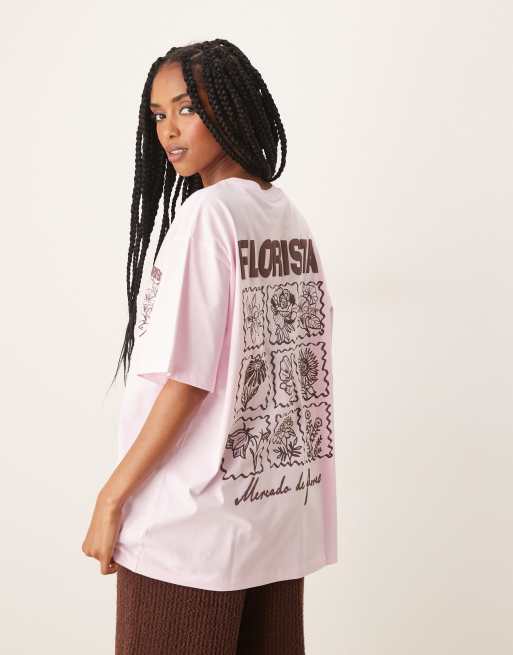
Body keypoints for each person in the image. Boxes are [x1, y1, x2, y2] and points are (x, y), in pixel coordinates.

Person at [81, 38, 338, 654]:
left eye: (187, 108)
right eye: (158, 114)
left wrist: (112, 499)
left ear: (232, 105)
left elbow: (188, 380)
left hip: (187, 532)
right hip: (271, 523)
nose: (169, 130)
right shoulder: (285, 216)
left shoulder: (207, 217)